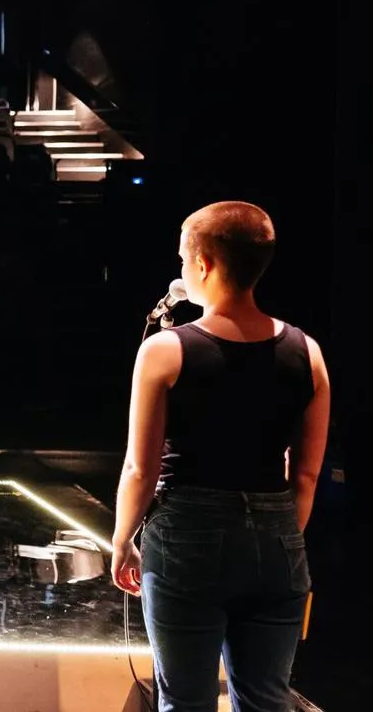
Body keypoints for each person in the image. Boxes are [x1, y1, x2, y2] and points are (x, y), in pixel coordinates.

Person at [110, 201, 331, 712]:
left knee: (184, 700)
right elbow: (308, 471)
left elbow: (139, 468)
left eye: (184, 259)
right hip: (279, 536)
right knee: (266, 700)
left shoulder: (166, 350)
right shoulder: (308, 351)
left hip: (189, 534)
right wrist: (279, 536)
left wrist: (122, 539)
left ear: (204, 264)